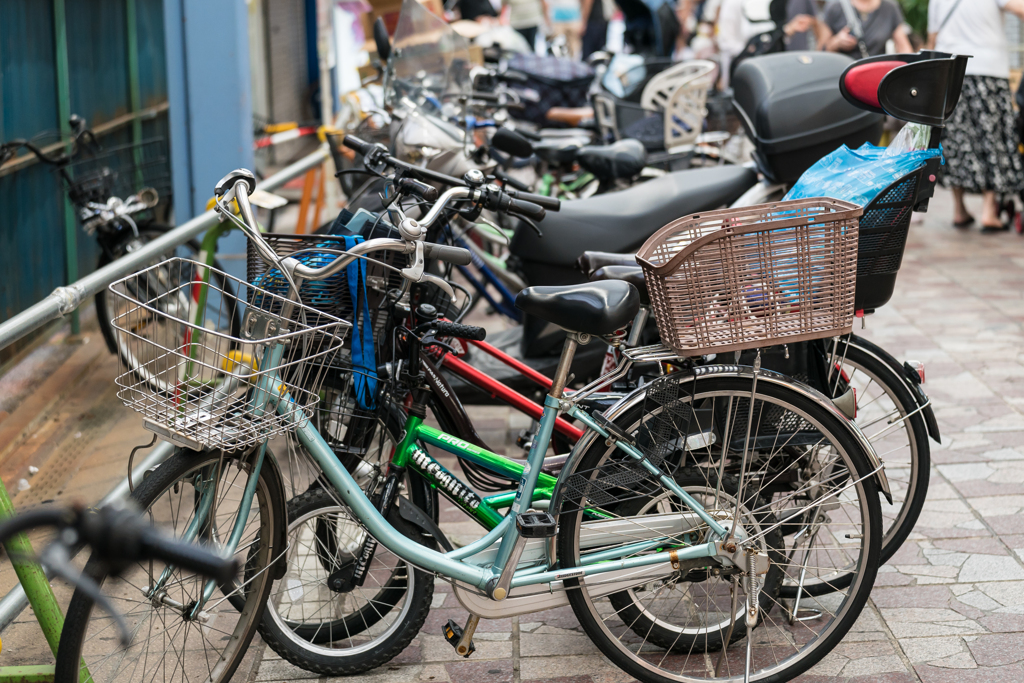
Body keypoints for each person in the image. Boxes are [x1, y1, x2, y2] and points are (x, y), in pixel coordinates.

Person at [928, 0, 1024, 231]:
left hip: (950, 72)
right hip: (988, 69)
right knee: (992, 139)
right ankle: (989, 211)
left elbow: (933, 36)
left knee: (956, 142)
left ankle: (959, 209)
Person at [819, 0, 911, 57]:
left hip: (875, 74)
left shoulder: (890, 8)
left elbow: (904, 47)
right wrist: (837, 42)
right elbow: (821, 50)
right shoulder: (835, 7)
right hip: (843, 75)